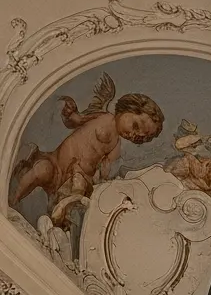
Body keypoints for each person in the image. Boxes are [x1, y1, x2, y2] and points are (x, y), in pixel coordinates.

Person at [9, 82, 162, 230]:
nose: (133, 134)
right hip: (56, 164)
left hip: (76, 178)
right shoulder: (104, 117)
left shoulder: (116, 145)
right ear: (128, 107)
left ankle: (58, 226)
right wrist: (70, 114)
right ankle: (12, 202)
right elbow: (78, 120)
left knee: (73, 202)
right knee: (41, 170)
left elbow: (104, 169)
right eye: (135, 126)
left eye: (139, 137)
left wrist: (102, 176)